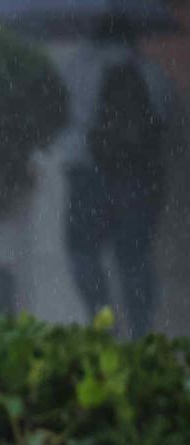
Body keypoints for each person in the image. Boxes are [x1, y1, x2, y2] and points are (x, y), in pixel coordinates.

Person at [62, 18, 179, 339]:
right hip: (138, 178)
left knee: (83, 251)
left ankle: (104, 324)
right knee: (135, 256)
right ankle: (141, 333)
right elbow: (165, 114)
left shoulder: (77, 67)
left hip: (88, 174)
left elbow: (64, 117)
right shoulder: (152, 72)